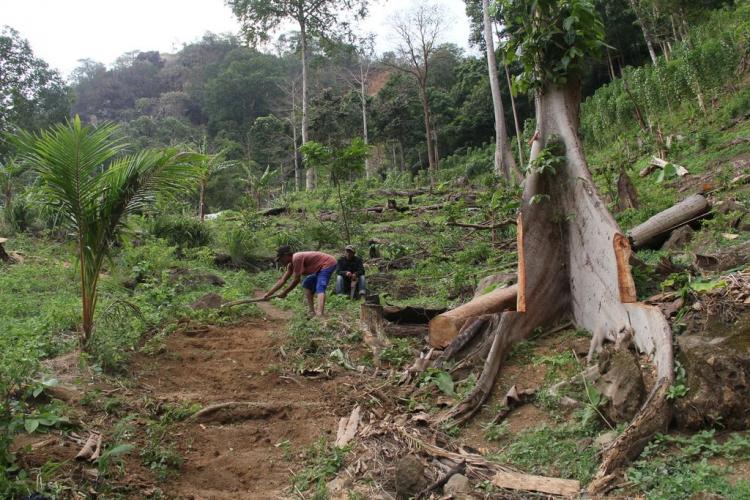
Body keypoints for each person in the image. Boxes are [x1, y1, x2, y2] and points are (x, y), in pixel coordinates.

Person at [263, 246, 337, 316]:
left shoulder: (296, 258)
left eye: (281, 258)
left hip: (328, 263)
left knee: (320, 287)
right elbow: (283, 280)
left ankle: (320, 314)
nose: (280, 261)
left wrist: (284, 292)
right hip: (318, 268)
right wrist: (268, 294)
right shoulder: (291, 265)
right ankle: (312, 312)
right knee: (307, 284)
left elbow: (296, 280)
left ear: (286, 255)